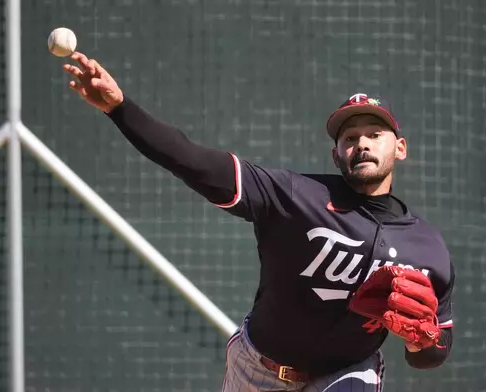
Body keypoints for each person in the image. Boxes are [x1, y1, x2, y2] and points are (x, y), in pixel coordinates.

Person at [63, 51, 455, 392]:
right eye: (349, 138)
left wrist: (424, 341)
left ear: (399, 148)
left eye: (374, 133)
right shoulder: (294, 195)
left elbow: (435, 353)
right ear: (336, 156)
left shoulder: (428, 248)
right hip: (258, 370)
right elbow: (191, 160)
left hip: (347, 372)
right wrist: (120, 108)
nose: (362, 144)